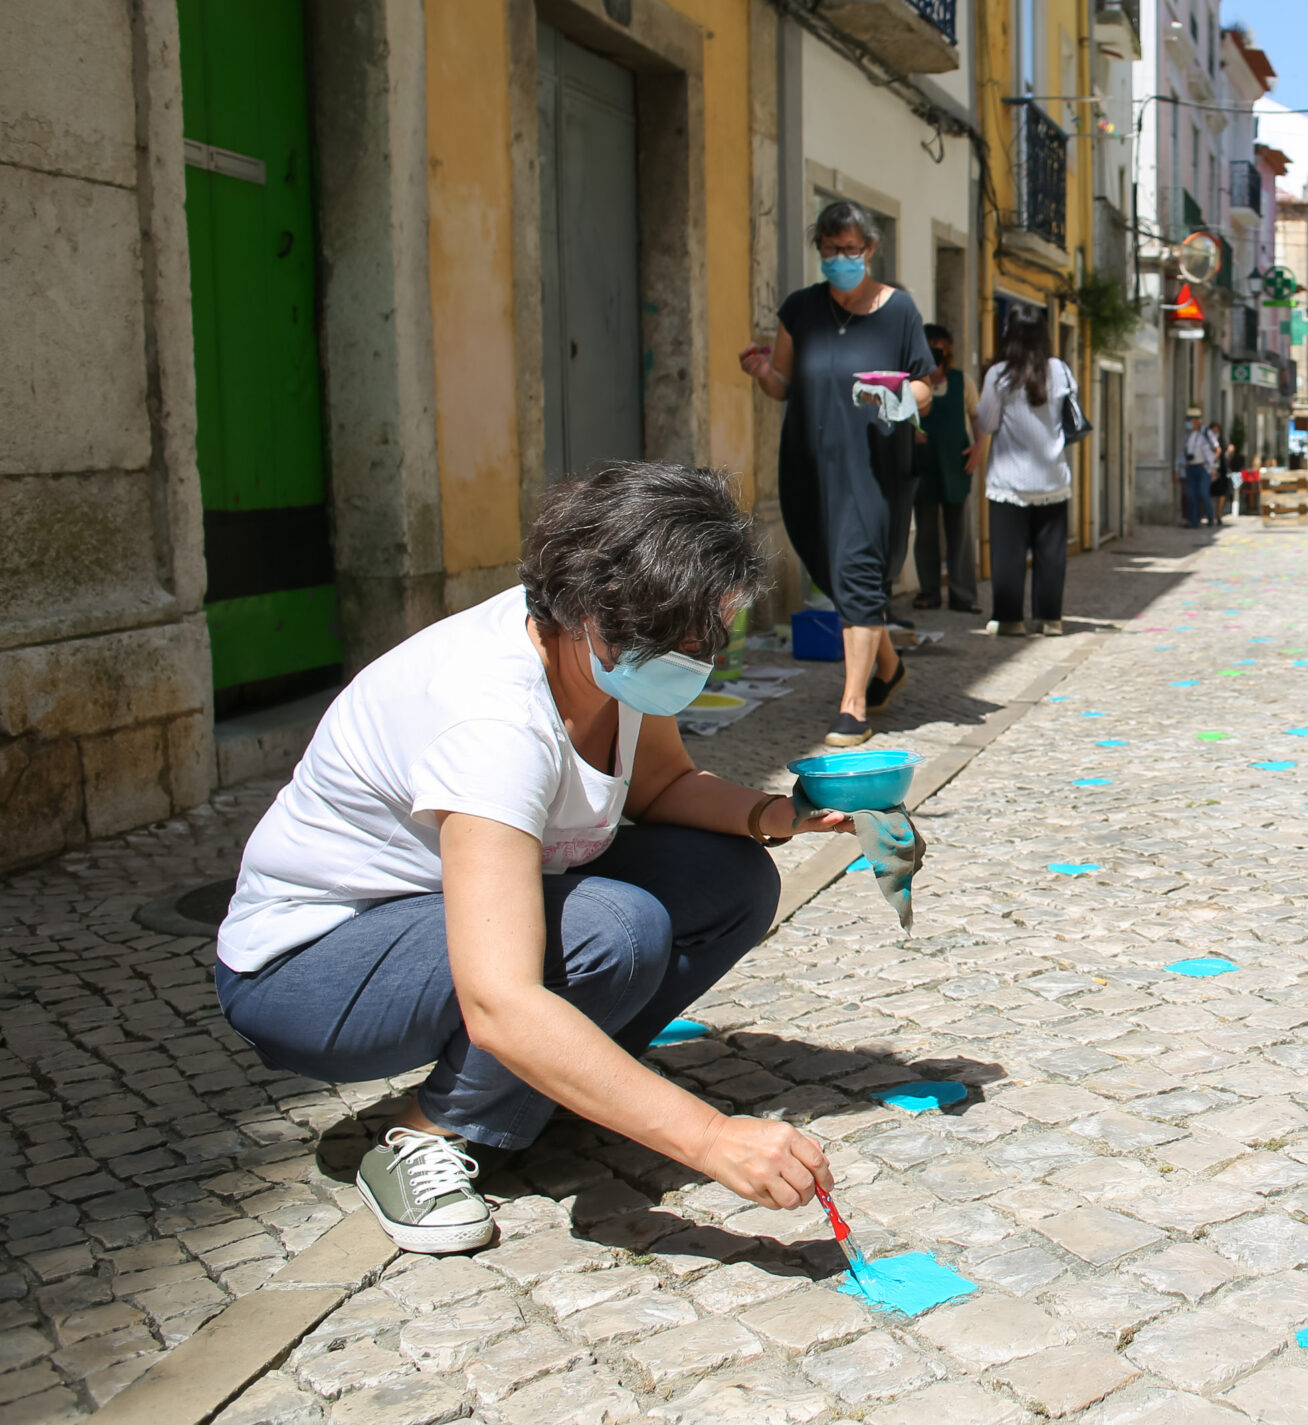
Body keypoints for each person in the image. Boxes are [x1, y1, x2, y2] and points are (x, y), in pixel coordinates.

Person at [215, 464, 847, 1254]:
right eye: (677, 641)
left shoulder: (608, 660)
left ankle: (553, 1088)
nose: (694, 657)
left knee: (735, 879)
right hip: (308, 971)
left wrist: (782, 816)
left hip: (435, 929)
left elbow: (664, 785)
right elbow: (499, 1000)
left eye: (708, 637)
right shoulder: (492, 718)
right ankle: (422, 1139)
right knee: (615, 930)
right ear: (589, 610)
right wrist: (711, 1138)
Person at [740, 202, 934, 747]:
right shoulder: (800, 309)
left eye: (850, 249)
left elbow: (926, 385)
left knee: (859, 571)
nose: (841, 259)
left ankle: (853, 705)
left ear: (869, 249)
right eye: (830, 250)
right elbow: (784, 383)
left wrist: (899, 394)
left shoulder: (899, 311)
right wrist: (762, 373)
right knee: (834, 570)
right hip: (809, 466)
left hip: (872, 467)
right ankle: (890, 668)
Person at [975, 311, 1076, 638]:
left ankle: (1009, 619)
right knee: (1051, 553)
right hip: (1052, 478)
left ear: (1010, 334)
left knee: (1008, 553)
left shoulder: (999, 375)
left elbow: (987, 423)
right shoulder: (1060, 371)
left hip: (1010, 480)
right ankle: (1050, 619)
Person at [910, 323, 979, 616]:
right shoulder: (913, 382)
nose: (936, 349)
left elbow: (977, 417)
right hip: (923, 465)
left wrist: (978, 449)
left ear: (948, 349)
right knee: (925, 532)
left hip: (955, 464)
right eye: (930, 343)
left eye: (940, 344)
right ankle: (929, 591)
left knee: (959, 532)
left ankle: (963, 594)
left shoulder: (963, 382)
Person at [1180, 407, 1218, 527]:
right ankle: (1194, 521)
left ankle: (1211, 517)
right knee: (1192, 495)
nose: (1188, 422)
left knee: (1203, 493)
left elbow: (1217, 449)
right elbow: (1181, 451)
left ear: (1197, 421)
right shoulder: (1187, 435)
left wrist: (1212, 465)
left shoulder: (1206, 433)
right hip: (1191, 468)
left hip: (1203, 468)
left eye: (1190, 420)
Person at [1212, 436, 1239, 526]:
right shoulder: (1214, 451)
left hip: (1223, 476)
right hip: (1216, 475)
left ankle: (1218, 515)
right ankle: (1215, 514)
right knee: (1216, 496)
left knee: (1222, 496)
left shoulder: (1224, 453)